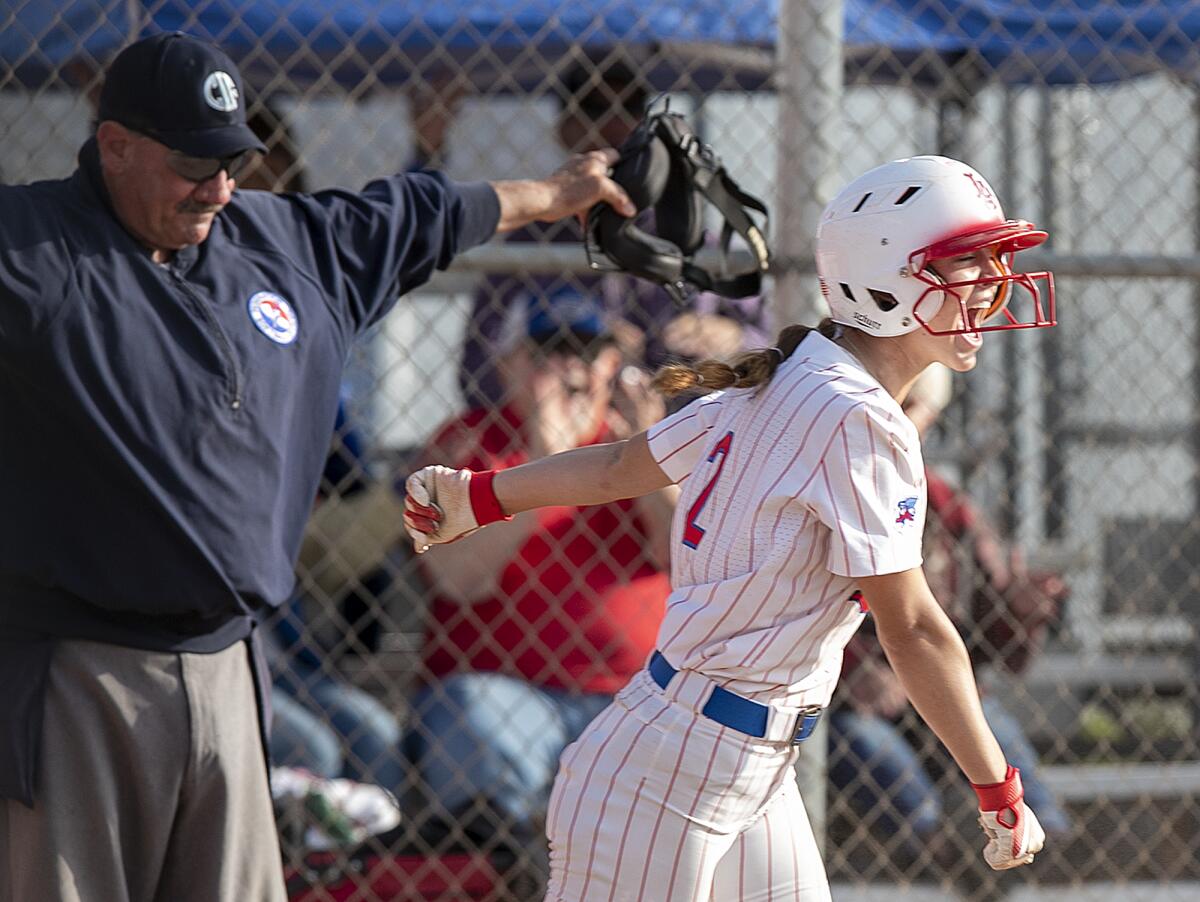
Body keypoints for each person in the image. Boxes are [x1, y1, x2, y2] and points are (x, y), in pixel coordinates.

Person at [0, 30, 634, 902]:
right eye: (194, 162)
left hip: (231, 664)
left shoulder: (283, 242)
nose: (220, 185)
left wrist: (556, 195)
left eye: (233, 160)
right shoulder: (31, 247)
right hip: (82, 669)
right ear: (114, 147)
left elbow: (426, 214)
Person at [403, 154, 1055, 900]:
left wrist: (483, 497)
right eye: (963, 265)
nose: (993, 286)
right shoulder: (858, 417)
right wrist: (995, 786)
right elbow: (915, 630)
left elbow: (620, 467)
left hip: (738, 764)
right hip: (670, 772)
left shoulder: (795, 373)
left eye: (991, 263)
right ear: (886, 278)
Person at [404, 292, 676, 878]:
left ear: (614, 365)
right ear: (509, 366)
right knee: (471, 713)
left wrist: (652, 459)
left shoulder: (647, 446)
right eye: (550, 353)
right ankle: (503, 872)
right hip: (506, 695)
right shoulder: (470, 445)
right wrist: (543, 464)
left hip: (631, 699)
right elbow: (458, 580)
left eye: (589, 353)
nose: (573, 369)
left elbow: (687, 558)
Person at [828, 363, 1070, 872]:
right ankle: (944, 855)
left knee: (997, 732)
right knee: (879, 755)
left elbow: (995, 642)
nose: (899, 422)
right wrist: (857, 675)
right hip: (851, 700)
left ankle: (1049, 855)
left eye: (915, 411)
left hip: (931, 686)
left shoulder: (948, 509)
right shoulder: (837, 487)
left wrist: (1021, 612)